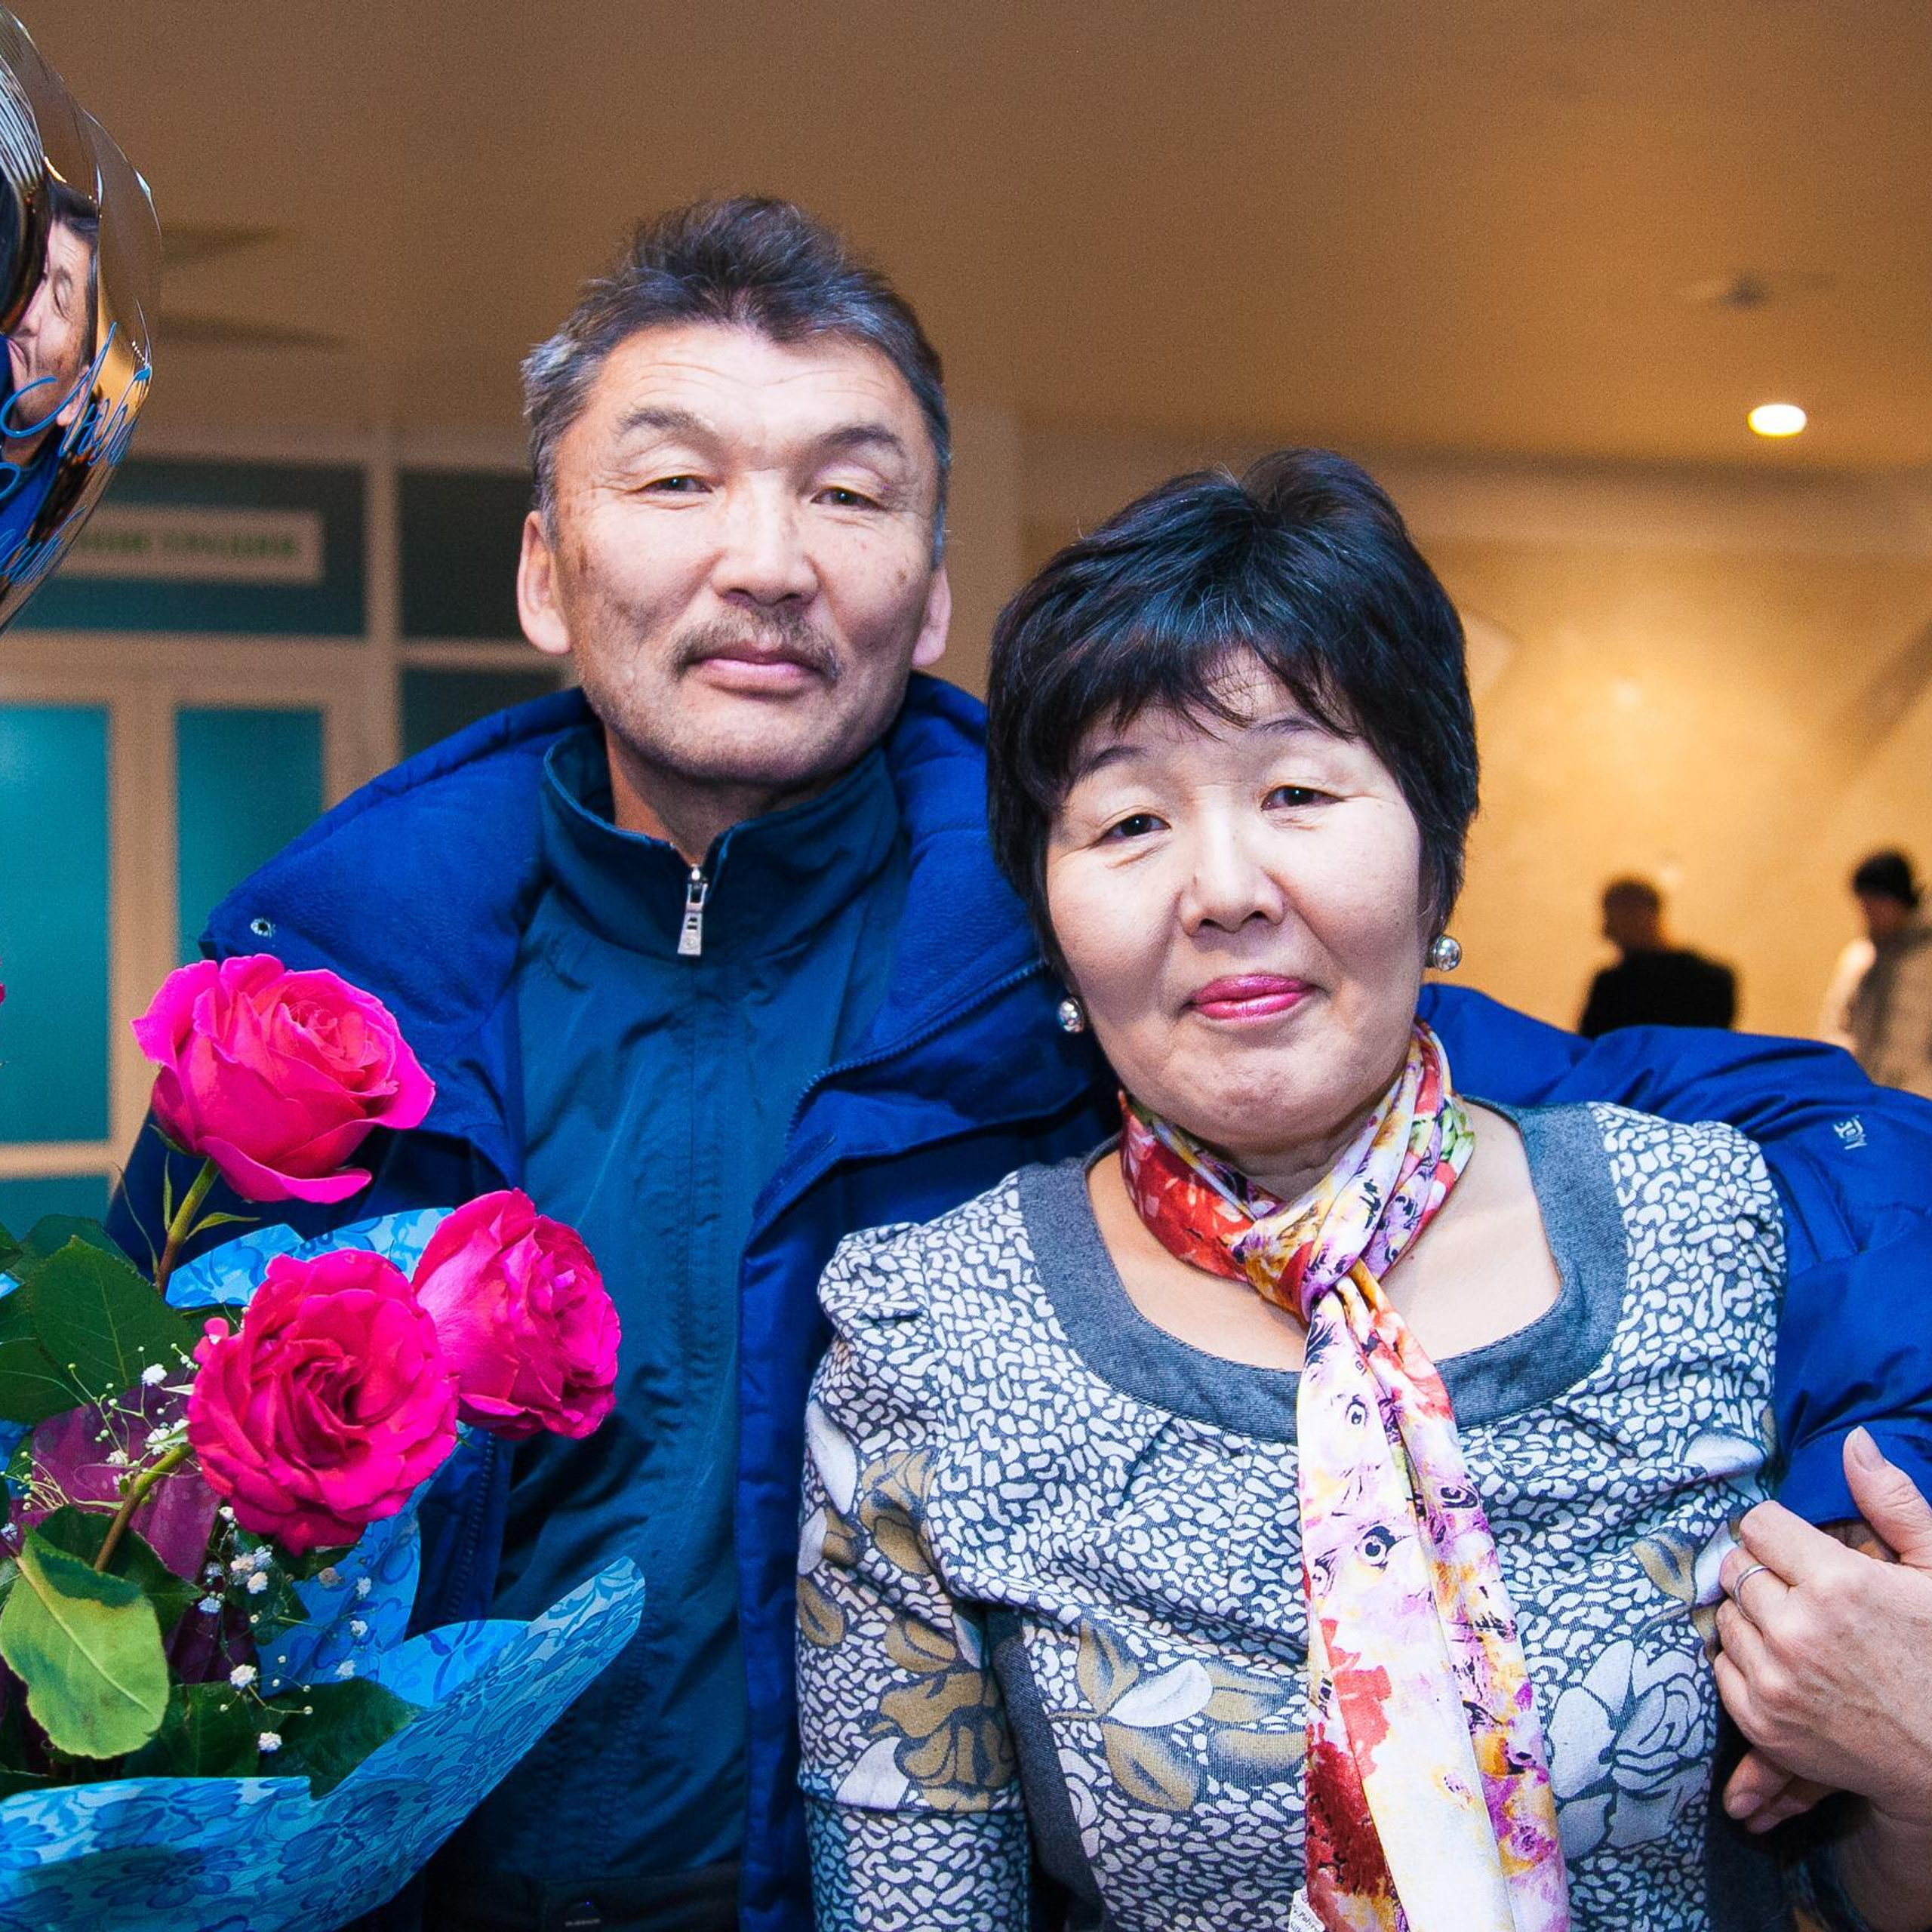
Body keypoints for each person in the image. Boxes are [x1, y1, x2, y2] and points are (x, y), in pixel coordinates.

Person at [103, 203, 1932, 1932]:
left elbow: (1624, 1120)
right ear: (543, 567)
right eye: (675, 480)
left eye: (848, 490)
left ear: (924, 590)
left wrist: (1868, 1502)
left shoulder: (1066, 908)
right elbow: (110, 1472)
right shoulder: (335, 976)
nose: (765, 558)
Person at [796, 451, 1932, 1930]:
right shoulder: (926, 1336)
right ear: (1049, 916)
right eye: (1128, 820)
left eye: (1295, 787)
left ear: (1434, 851)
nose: (1222, 885)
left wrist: (1912, 1768)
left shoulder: (1695, 1224)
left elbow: (1838, 1884)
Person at [1577, 877, 1737, 1036]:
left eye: (1614, 918)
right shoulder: (1714, 980)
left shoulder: (1611, 986)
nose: (1607, 931)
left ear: (1642, 915)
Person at [1843, 849, 1932, 1099]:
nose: (1866, 917)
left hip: (1919, 1099)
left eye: (1871, 908)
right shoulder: (1873, 957)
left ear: (1891, 900)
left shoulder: (1925, 958)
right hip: (1879, 1092)